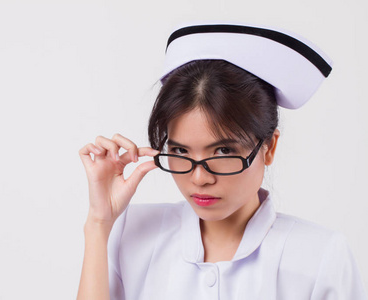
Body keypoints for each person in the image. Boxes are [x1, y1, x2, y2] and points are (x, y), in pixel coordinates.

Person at [77, 23, 367, 299]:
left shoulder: (320, 257)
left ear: (269, 147)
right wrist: (98, 223)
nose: (200, 178)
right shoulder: (130, 232)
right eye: (180, 152)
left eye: (223, 152)